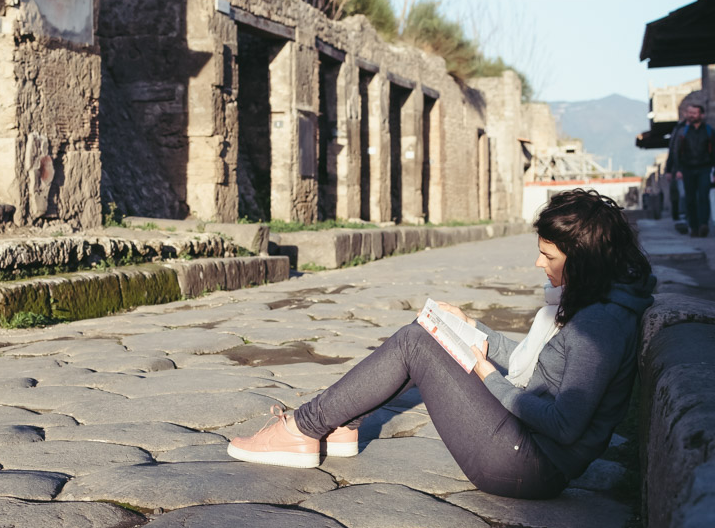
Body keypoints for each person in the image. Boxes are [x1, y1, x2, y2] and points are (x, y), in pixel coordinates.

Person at [227, 189, 655, 500]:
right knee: (430, 332)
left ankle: (301, 428)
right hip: (526, 449)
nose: (538, 263)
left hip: (527, 465)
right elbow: (536, 363)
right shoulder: (598, 301)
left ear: (581, 259)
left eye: (550, 256)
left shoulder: (599, 326)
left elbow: (565, 425)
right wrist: (472, 328)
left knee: (416, 343)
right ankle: (339, 424)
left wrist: (488, 377)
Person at [666, 104, 715, 237]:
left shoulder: (709, 131)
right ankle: (693, 226)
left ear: (701, 115)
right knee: (690, 198)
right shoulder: (682, 130)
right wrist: (673, 170)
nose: (691, 115)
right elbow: (674, 151)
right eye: (689, 112)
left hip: (704, 168)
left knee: (703, 196)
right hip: (687, 168)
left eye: (694, 113)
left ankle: (703, 224)